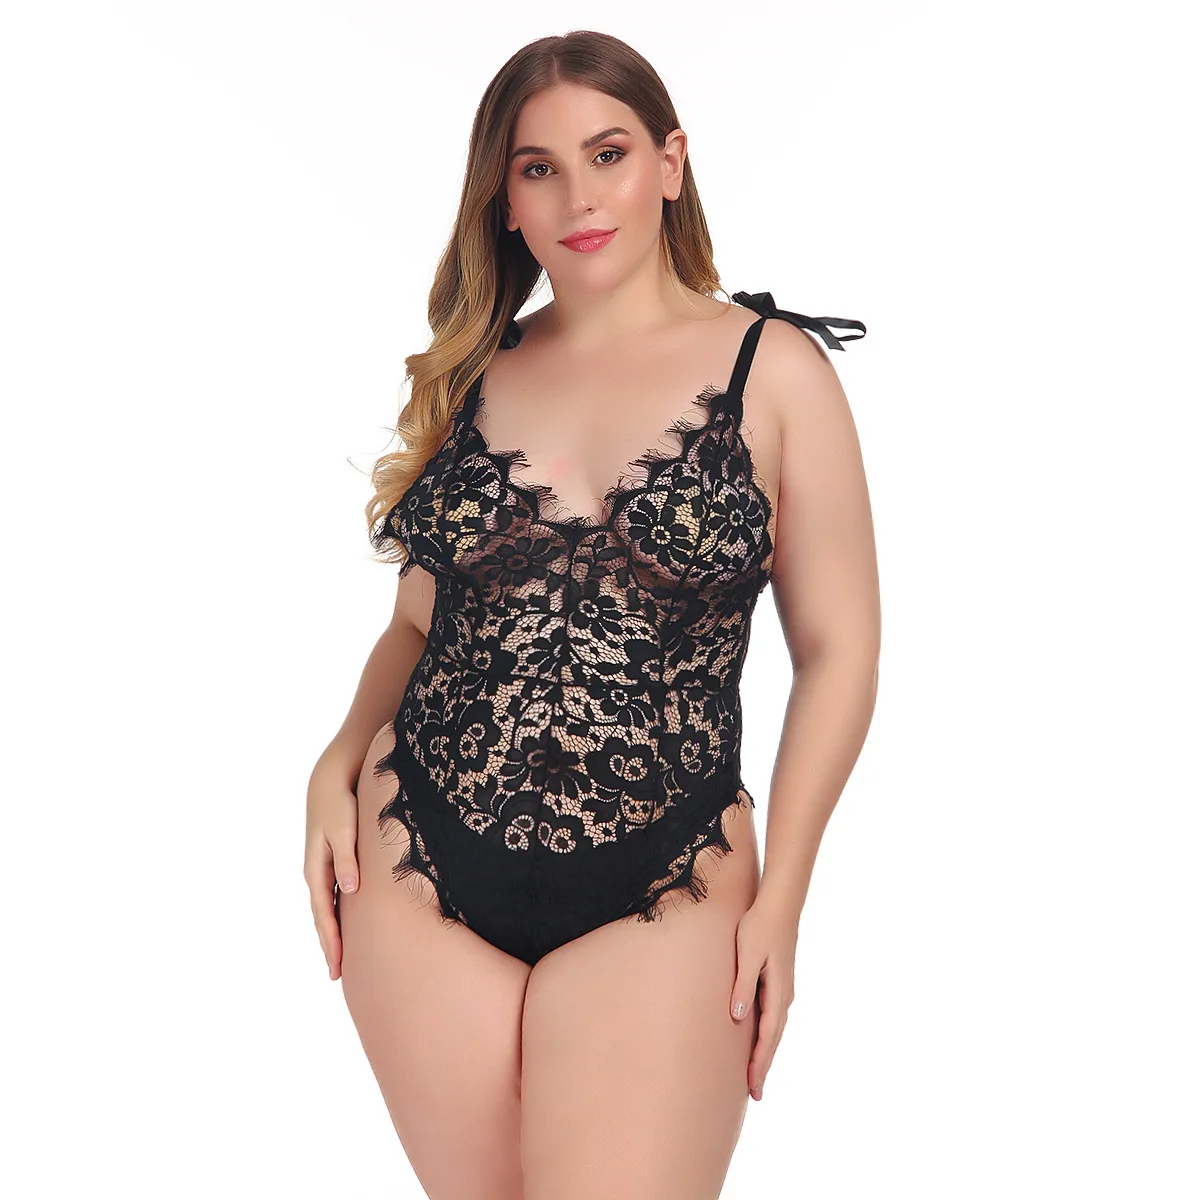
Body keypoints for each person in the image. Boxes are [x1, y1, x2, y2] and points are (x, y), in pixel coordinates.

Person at [304, 29, 880, 1200]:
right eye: (539, 168)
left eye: (608, 154)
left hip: (671, 879)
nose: (578, 197)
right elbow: (417, 627)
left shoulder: (775, 374)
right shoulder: (474, 373)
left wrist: (785, 898)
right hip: (412, 861)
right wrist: (333, 759)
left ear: (670, 162)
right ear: (504, 200)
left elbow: (839, 650)